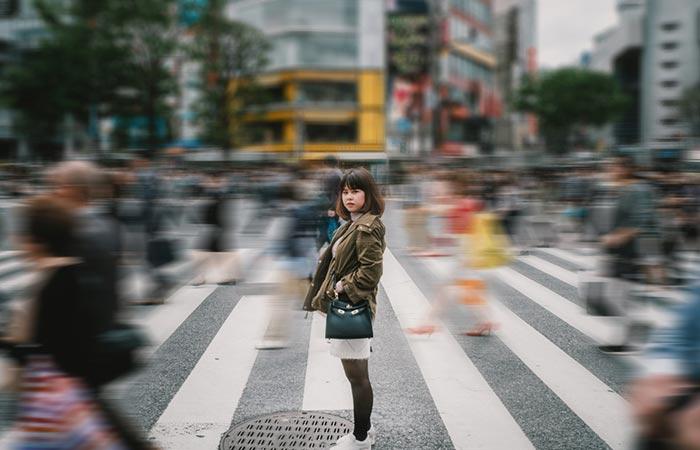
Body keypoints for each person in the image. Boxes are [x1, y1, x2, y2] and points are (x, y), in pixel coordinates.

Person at [304, 167, 386, 450]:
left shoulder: (365, 227)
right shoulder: (351, 222)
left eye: (356, 191)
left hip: (352, 308)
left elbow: (370, 273)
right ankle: (366, 431)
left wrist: (341, 287)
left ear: (368, 194)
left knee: (357, 378)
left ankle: (361, 438)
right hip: (347, 307)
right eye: (346, 192)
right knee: (355, 374)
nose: (349, 196)